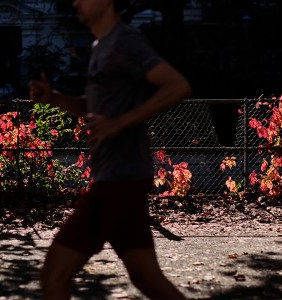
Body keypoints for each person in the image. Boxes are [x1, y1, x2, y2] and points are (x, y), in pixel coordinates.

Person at [29, 0, 192, 299]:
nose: (75, 1)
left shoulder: (125, 41)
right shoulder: (100, 46)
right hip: (121, 177)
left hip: (119, 180)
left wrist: (119, 123)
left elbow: (177, 85)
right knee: (146, 277)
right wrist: (54, 98)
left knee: (54, 276)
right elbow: (92, 109)